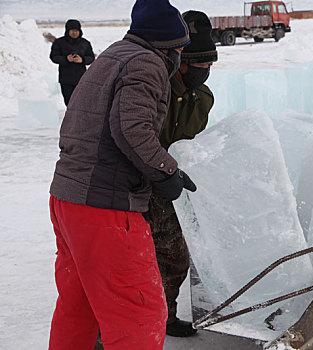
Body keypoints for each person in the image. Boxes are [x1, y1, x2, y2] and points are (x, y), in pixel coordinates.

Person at [48, 0, 196, 349]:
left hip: (68, 201)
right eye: (178, 48)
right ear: (166, 44)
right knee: (138, 311)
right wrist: (166, 172)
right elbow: (131, 129)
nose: (179, 56)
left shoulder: (114, 54)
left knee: (79, 307)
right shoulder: (147, 63)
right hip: (106, 208)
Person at [143, 10, 218, 338]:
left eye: (211, 65)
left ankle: (166, 318)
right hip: (141, 186)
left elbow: (196, 143)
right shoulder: (155, 89)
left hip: (174, 191)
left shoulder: (202, 98)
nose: (207, 72)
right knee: (136, 266)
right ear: (181, 63)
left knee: (175, 259)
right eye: (202, 65)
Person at [49, 19, 95, 106]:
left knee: (81, 102)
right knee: (69, 103)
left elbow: (91, 58)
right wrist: (66, 59)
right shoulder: (59, 43)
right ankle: (71, 119)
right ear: (67, 31)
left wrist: (82, 60)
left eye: (77, 30)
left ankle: (81, 119)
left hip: (81, 79)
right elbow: (54, 57)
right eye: (72, 30)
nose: (75, 32)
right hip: (66, 79)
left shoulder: (85, 43)